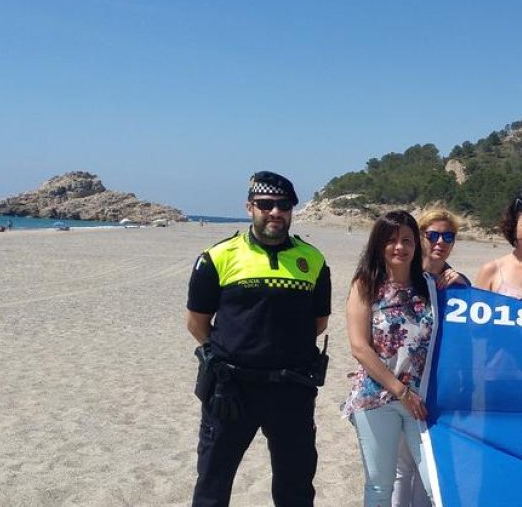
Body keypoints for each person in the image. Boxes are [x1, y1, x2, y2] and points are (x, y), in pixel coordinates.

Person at [185, 171, 331, 507]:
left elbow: (318, 323)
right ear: (250, 207)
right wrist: (229, 355)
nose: (275, 212)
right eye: (266, 204)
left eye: (283, 205)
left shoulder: (313, 261)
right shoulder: (218, 256)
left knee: (295, 486)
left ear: (292, 210)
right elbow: (196, 322)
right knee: (213, 483)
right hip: (230, 390)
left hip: (292, 390)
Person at [342, 210, 435, 507]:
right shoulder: (365, 285)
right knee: (380, 485)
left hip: (422, 402)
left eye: (407, 240)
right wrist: (400, 391)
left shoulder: (430, 287)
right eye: (391, 240)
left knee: (436, 482)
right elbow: (360, 347)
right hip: (375, 398)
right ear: (378, 245)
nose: (400, 247)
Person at [390, 208, 469, 507]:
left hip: (439, 386)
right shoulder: (401, 276)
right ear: (421, 237)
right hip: (401, 383)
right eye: (433, 235)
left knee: (429, 467)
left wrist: (463, 287)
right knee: (401, 468)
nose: (440, 242)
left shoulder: (459, 285)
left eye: (448, 236)